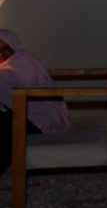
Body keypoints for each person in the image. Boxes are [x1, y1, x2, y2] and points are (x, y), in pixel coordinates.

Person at [0, 30, 70, 173]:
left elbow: (11, 77)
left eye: (5, 48)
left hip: (39, 116)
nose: (1, 53)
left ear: (13, 46)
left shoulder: (23, 60)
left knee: (7, 123)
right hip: (21, 112)